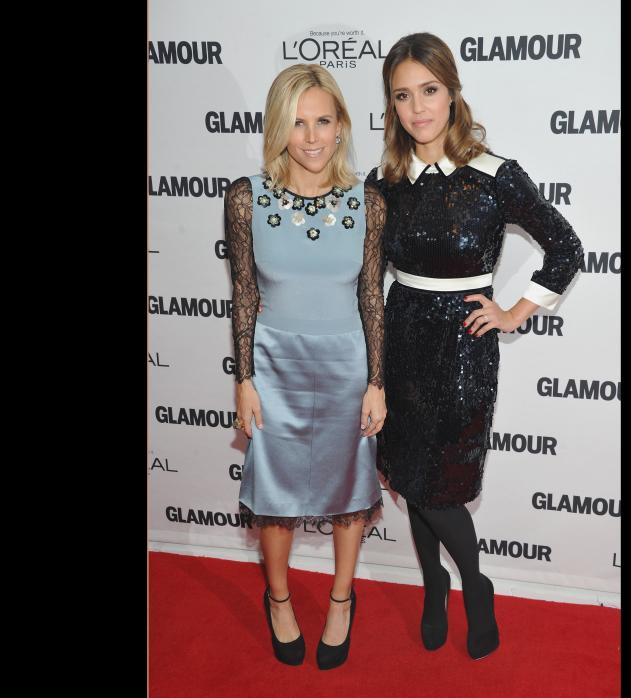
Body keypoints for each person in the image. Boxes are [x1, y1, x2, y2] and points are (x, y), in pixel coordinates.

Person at [366, 32, 585, 660]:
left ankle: (473, 585)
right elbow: (360, 272)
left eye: (429, 90)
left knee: (442, 487)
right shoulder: (386, 183)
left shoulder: (495, 176)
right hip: (401, 337)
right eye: (403, 96)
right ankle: (433, 586)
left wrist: (515, 311)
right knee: (409, 475)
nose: (418, 108)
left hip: (463, 347)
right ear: (392, 106)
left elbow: (567, 248)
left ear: (453, 92)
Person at [225, 63, 387, 670]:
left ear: (342, 127)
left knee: (350, 492)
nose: (312, 136)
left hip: (347, 364)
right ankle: (280, 598)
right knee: (274, 495)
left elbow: (372, 296)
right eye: (297, 123)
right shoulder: (246, 198)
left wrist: (376, 382)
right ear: (278, 128)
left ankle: (342, 600)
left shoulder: (368, 201)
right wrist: (243, 379)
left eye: (323, 120)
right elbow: (244, 293)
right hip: (274, 365)